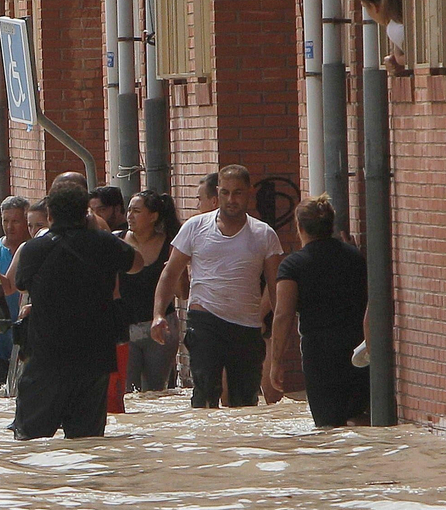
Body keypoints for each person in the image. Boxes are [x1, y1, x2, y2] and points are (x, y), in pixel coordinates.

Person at [10, 185, 144, 439]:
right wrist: (100, 232)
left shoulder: (34, 249)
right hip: (93, 360)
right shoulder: (104, 244)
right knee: (87, 442)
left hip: (46, 360)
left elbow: (19, 283)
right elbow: (137, 264)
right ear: (86, 214)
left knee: (31, 442)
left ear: (50, 215)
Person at [151, 164, 284, 408]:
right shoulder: (195, 227)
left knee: (244, 401)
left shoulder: (264, 234)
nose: (231, 199)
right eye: (225, 192)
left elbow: (277, 288)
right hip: (205, 321)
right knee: (205, 393)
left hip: (246, 326)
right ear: (218, 193)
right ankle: (205, 444)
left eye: (238, 193)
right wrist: (158, 314)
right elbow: (170, 273)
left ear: (249, 193)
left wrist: (278, 335)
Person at [270, 194, 370, 427]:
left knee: (328, 426)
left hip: (320, 355)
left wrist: (276, 361)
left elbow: (283, 315)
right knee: (358, 417)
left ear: (299, 227)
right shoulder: (355, 258)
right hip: (357, 350)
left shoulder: (293, 266)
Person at [119, 190, 183, 391]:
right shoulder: (117, 241)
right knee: (127, 392)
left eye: (136, 211)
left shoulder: (171, 245)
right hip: (125, 328)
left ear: (153, 216)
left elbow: (183, 293)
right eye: (128, 210)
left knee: (156, 392)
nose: (130, 216)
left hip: (161, 327)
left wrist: (174, 270)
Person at [0, 196, 31, 390]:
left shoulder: (33, 250)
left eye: (15, 221)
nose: (9, 227)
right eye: (5, 221)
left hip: (26, 336)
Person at [357, 0, 406, 75]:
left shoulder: (394, 29)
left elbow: (415, 57)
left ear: (375, 7)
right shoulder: (401, 23)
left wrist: (399, 59)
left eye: (366, 7)